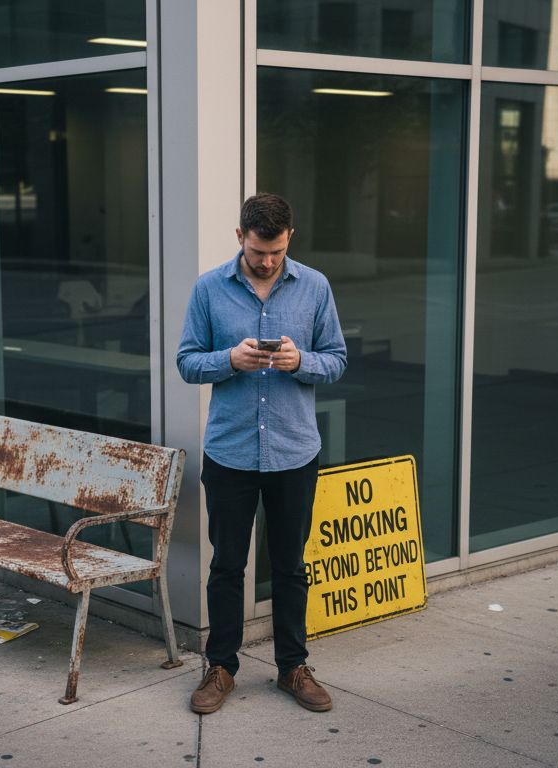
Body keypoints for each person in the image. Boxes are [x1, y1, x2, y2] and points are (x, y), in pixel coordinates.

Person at [176, 193, 348, 714]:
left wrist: (301, 362)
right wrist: (229, 359)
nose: (267, 262)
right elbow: (186, 362)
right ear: (239, 239)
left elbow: (337, 360)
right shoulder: (209, 288)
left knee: (292, 566)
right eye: (257, 252)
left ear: (289, 237)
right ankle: (221, 667)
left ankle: (292, 666)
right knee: (227, 564)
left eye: (274, 251)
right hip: (230, 452)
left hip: (294, 452)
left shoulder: (315, 286)